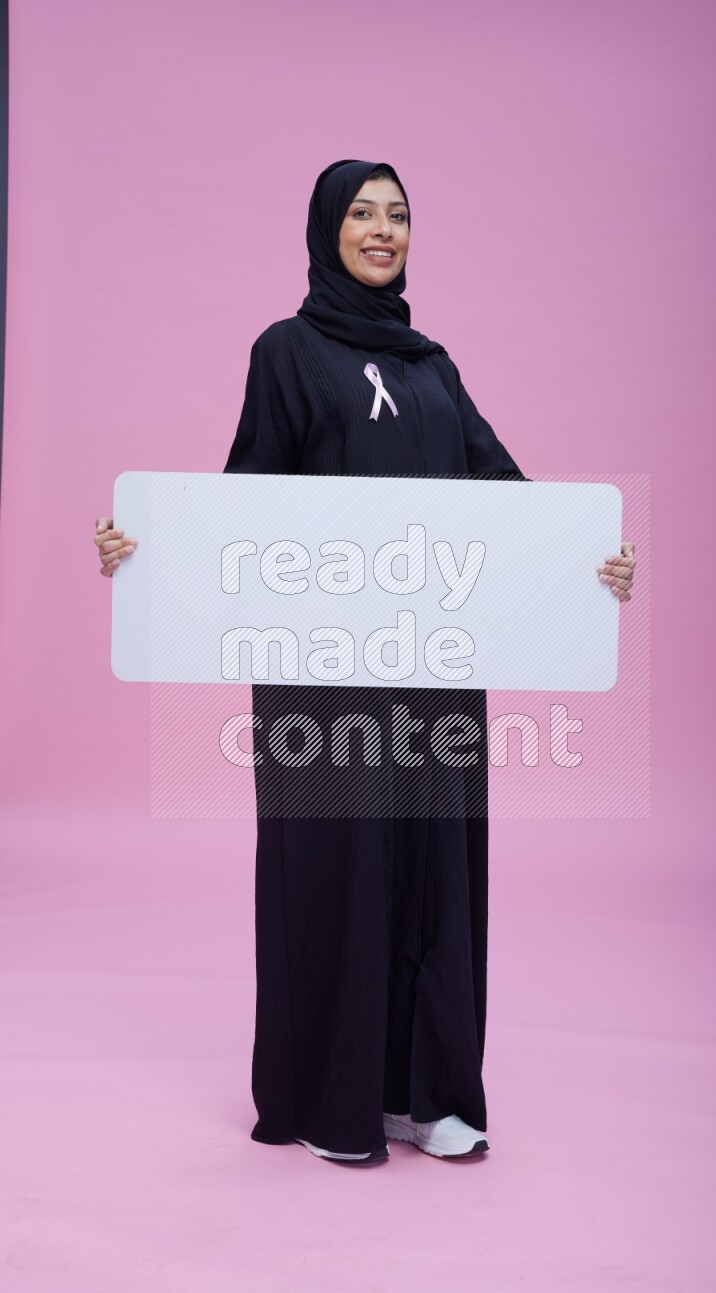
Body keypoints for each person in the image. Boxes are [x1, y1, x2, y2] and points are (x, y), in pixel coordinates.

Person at [94, 158, 637, 1167]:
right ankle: (330, 1100)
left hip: (434, 668)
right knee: (337, 874)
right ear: (325, 230)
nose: (383, 230)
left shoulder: (434, 368)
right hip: (320, 676)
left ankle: (425, 1096)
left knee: (432, 873)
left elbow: (506, 496)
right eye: (362, 213)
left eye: (398, 215)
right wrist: (146, 549)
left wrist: (587, 564)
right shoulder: (286, 351)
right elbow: (240, 501)